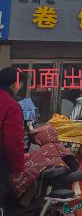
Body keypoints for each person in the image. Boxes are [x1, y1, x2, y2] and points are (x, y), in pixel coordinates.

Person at [0, 67, 25, 212]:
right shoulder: (11, 105)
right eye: (20, 83)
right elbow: (12, 142)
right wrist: (17, 170)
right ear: (14, 84)